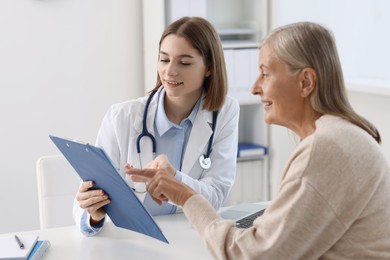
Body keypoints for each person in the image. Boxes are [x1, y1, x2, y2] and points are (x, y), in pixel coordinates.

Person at [127, 21, 390, 259]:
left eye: (265, 73)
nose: (254, 87)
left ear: (305, 82)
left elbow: (250, 255)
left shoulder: (327, 147)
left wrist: (186, 196)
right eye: (164, 60)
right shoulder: (342, 135)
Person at [73, 16, 240, 236]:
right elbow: (87, 197)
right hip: (133, 239)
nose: (170, 71)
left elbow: (216, 195)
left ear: (208, 68)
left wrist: (174, 179)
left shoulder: (224, 111)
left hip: (191, 237)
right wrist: (93, 215)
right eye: (164, 60)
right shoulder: (121, 117)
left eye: (184, 62)